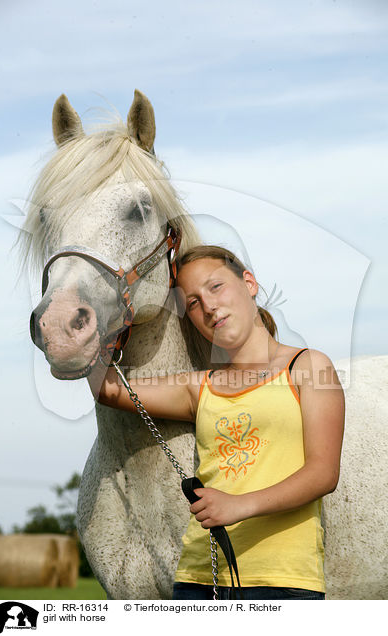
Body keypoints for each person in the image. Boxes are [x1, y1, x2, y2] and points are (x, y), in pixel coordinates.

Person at [88, 245, 345, 600]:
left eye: (216, 287)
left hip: (283, 580)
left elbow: (323, 473)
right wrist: (94, 321)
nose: (207, 306)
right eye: (192, 303)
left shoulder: (311, 366)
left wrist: (239, 505)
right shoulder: (199, 387)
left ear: (249, 283)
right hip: (198, 578)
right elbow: (110, 390)